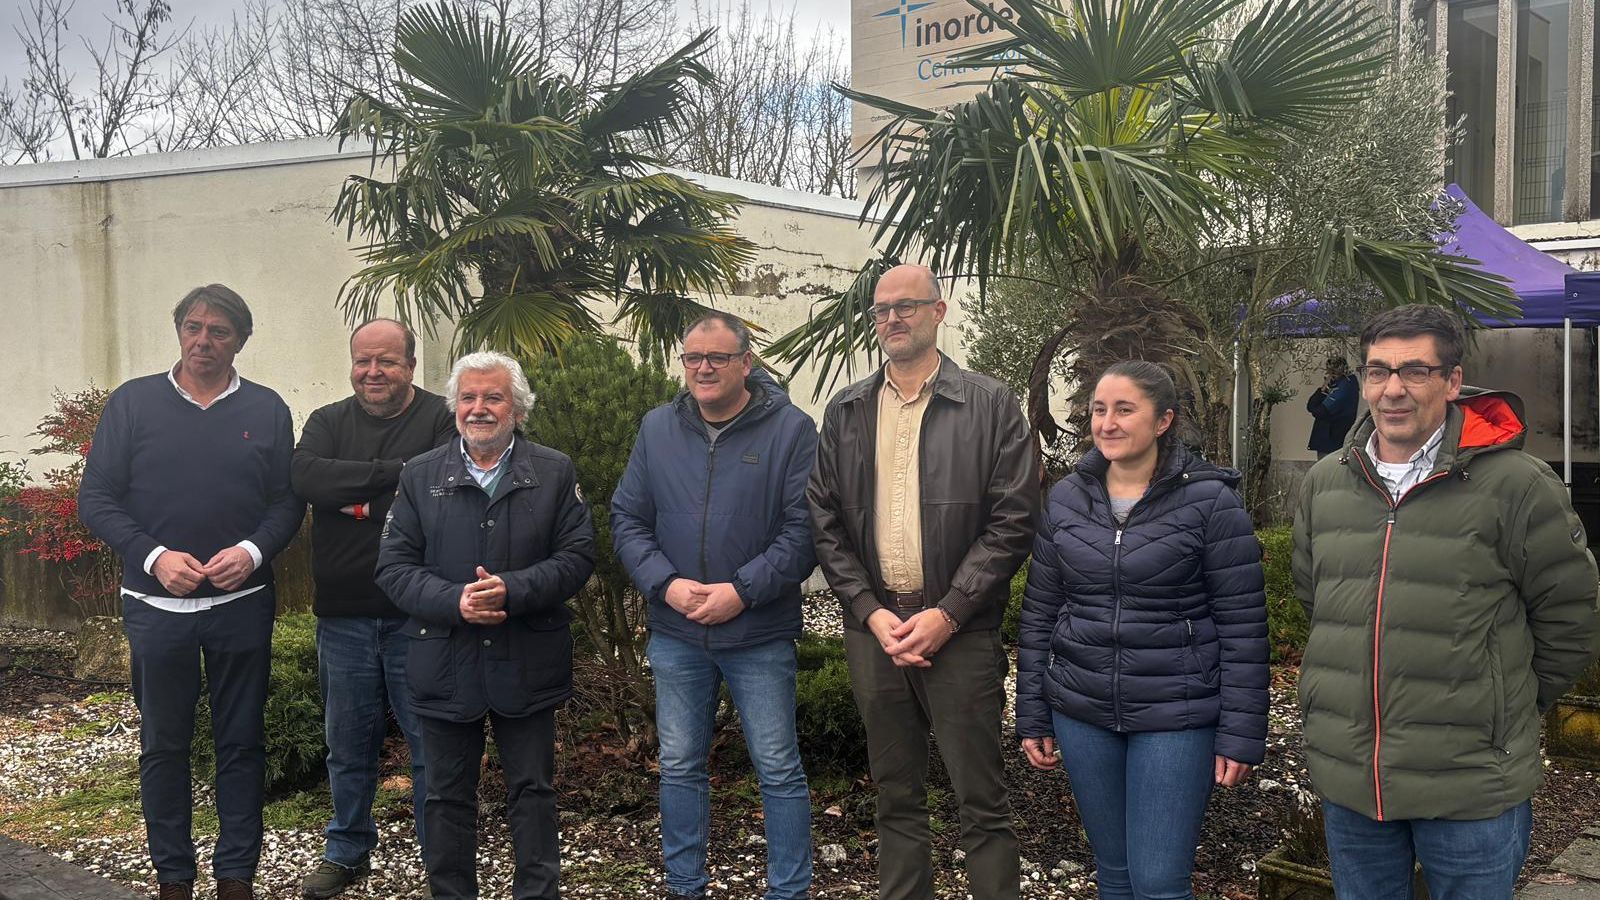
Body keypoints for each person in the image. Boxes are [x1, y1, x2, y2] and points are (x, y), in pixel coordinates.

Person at [1292, 304, 1600, 898]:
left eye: (1415, 371)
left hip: (1470, 783)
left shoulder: (1518, 484)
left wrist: (1504, 701)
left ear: (1453, 382)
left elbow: (1570, 614)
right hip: (1354, 778)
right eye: (1378, 371)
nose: (1393, 390)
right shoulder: (1326, 482)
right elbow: (1318, 600)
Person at [807, 264, 1039, 900]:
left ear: (939, 312)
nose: (891, 318)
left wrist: (949, 614)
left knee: (982, 804)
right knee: (895, 798)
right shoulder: (848, 410)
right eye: (881, 309)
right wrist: (869, 612)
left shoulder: (991, 404)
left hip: (960, 635)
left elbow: (1014, 520)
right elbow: (825, 521)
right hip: (875, 633)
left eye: (906, 306)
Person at [78, 284, 304, 900]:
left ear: (241, 340)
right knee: (163, 745)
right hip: (155, 609)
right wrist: (152, 556)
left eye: (220, 331)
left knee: (241, 742)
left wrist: (253, 551)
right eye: (194, 327)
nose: (204, 340)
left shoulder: (268, 410)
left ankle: (236, 876)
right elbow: (95, 497)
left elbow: (286, 502)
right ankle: (173, 877)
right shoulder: (133, 404)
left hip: (241, 604)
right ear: (179, 330)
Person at [1016, 360, 1269, 900]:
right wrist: (1033, 711)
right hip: (1081, 711)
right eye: (1099, 410)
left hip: (1176, 714)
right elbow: (1040, 612)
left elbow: (1244, 628)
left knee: (1158, 880)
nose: (1107, 422)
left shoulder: (1211, 503)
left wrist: (1242, 734)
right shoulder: (1066, 499)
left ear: (1163, 421)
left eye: (1124, 409)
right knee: (1115, 874)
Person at [611, 313, 819, 900]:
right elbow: (627, 517)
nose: (703, 368)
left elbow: (804, 532)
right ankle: (684, 885)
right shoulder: (657, 428)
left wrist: (741, 592)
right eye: (692, 358)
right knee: (678, 765)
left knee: (777, 767)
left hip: (758, 632)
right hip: (676, 632)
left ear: (746, 363)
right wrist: (666, 585)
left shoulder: (792, 431)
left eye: (718, 358)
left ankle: (789, 890)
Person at [375, 351, 595, 900]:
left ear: (516, 408)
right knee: (445, 796)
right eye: (468, 398)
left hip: (527, 661)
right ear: (454, 408)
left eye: (492, 397)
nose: (479, 408)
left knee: (533, 792)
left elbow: (578, 556)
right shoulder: (420, 475)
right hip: (445, 662)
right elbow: (393, 568)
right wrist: (456, 601)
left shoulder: (553, 471)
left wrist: (514, 590)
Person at [291, 318, 455, 898]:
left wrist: (353, 499)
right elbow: (308, 477)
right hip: (344, 614)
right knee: (348, 742)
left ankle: (441, 854)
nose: (372, 372)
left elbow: (441, 490)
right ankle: (347, 849)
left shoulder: (441, 417)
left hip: (420, 614)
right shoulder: (327, 421)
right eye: (363, 361)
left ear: (411, 365)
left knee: (429, 743)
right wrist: (394, 481)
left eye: (386, 361)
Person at [1306, 356, 1359, 458]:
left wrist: (1316, 407)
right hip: (1327, 439)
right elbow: (1310, 406)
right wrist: (1323, 389)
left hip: (1333, 439)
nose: (1330, 375)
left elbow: (1321, 411)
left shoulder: (1345, 386)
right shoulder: (1336, 385)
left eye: (1332, 372)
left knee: (1325, 471)